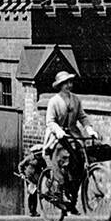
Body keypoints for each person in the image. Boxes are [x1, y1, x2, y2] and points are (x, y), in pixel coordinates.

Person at [43, 70, 99, 210]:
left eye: (70, 82)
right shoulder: (54, 101)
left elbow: (82, 116)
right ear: (60, 86)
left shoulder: (75, 99)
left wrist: (89, 129)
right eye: (65, 83)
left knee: (81, 161)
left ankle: (72, 196)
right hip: (57, 136)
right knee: (62, 159)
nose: (69, 85)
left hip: (74, 135)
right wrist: (58, 131)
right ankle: (57, 190)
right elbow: (50, 122)